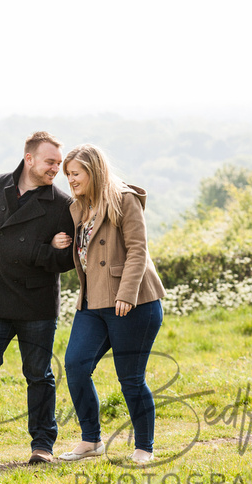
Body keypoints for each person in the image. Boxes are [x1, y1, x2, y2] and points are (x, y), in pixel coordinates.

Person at [0, 131, 76, 465]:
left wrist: (37, 252)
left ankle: (42, 446)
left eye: (59, 164)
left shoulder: (63, 205)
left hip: (36, 304)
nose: (56, 169)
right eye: (50, 162)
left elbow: (67, 262)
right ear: (29, 158)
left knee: (39, 374)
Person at [51, 143, 166, 465]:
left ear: (94, 171)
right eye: (68, 175)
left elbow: (137, 250)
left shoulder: (124, 199)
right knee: (75, 365)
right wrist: (57, 243)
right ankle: (91, 440)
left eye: (76, 174)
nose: (70, 180)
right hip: (92, 302)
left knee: (130, 377)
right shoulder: (77, 207)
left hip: (134, 302)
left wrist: (126, 295)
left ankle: (144, 448)